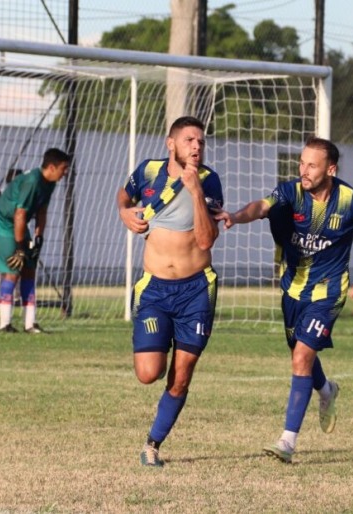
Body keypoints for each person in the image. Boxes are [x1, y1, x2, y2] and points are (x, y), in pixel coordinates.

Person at [215, 136, 353, 464]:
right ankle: (327, 391)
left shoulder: (351, 201)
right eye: (301, 163)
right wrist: (236, 217)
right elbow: (261, 207)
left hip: (328, 293)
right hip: (292, 291)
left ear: (331, 168)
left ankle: (287, 441)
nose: (304, 170)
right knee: (302, 356)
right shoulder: (290, 192)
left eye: (312, 165)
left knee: (301, 357)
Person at [116, 116, 224, 467]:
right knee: (149, 372)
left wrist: (194, 192)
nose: (197, 146)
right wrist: (124, 211)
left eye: (201, 142)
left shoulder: (209, 181)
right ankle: (157, 345)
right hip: (155, 289)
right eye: (190, 140)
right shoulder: (149, 171)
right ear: (171, 144)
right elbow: (124, 192)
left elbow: (207, 239)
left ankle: (152, 445)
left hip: (196, 291)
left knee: (182, 376)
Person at [0, 148, 71, 333]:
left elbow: (41, 211)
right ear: (51, 167)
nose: (65, 173)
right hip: (2, 223)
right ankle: (4, 324)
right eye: (64, 168)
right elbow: (20, 214)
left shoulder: (50, 182)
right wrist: (19, 247)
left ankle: (30, 324)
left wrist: (38, 238)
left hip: (18, 224)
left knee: (30, 268)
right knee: (13, 269)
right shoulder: (32, 181)